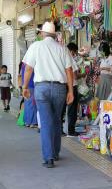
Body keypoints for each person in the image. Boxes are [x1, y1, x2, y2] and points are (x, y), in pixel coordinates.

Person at [22, 22, 74, 168]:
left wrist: (25, 87)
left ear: (43, 33)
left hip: (41, 88)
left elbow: (28, 69)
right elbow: (69, 71)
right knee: (57, 120)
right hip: (59, 88)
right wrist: (70, 91)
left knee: (45, 123)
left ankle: (48, 157)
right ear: (54, 34)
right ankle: (55, 153)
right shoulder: (62, 48)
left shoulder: (36, 46)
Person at [66, 42, 85, 137]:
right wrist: (83, 74)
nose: (75, 54)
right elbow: (75, 76)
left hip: (66, 86)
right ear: (72, 51)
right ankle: (71, 131)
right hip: (72, 86)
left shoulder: (65, 59)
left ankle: (66, 130)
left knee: (68, 109)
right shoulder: (70, 60)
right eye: (75, 52)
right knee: (72, 110)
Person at [21, 63, 37, 128]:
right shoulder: (31, 64)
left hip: (25, 86)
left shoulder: (23, 64)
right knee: (32, 104)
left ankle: (27, 122)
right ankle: (32, 122)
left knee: (27, 104)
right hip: (31, 86)